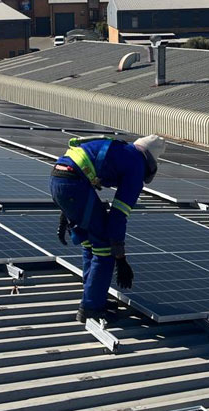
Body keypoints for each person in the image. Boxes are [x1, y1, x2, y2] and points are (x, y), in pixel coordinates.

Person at [50, 134, 166, 322]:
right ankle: (91, 307)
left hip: (59, 176)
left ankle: (93, 296)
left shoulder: (120, 150)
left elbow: (75, 166)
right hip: (73, 183)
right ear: (150, 163)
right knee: (104, 246)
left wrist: (67, 210)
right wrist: (120, 257)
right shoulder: (136, 167)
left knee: (90, 240)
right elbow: (117, 216)